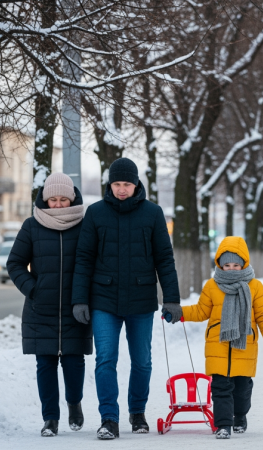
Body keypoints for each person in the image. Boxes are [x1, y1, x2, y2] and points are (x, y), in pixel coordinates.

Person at [71, 158, 182, 440]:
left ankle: (137, 412)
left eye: (127, 184)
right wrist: (79, 299)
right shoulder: (95, 213)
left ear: (136, 184)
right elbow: (83, 259)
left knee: (142, 360)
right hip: (104, 299)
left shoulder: (153, 213)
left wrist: (172, 299)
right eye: (117, 184)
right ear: (111, 184)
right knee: (106, 359)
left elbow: (164, 259)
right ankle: (109, 418)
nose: (122, 189)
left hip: (141, 298)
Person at [7, 173, 91, 437]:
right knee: (45, 364)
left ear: (71, 199)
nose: (57, 204)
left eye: (62, 199)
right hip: (40, 308)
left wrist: (86, 295)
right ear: (45, 200)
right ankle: (50, 419)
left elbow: (94, 264)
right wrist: (33, 289)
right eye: (52, 199)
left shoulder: (84, 226)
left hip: (75, 308)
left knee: (74, 362)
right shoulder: (32, 226)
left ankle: (74, 403)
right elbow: (15, 263)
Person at [182, 236, 263, 439]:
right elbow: (201, 311)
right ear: (220, 264)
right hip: (218, 345)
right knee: (220, 388)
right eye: (227, 265)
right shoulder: (212, 285)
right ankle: (223, 425)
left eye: (236, 264)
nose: (232, 269)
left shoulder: (255, 287)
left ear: (244, 263)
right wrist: (178, 313)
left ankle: (240, 415)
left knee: (241, 390)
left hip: (244, 346)